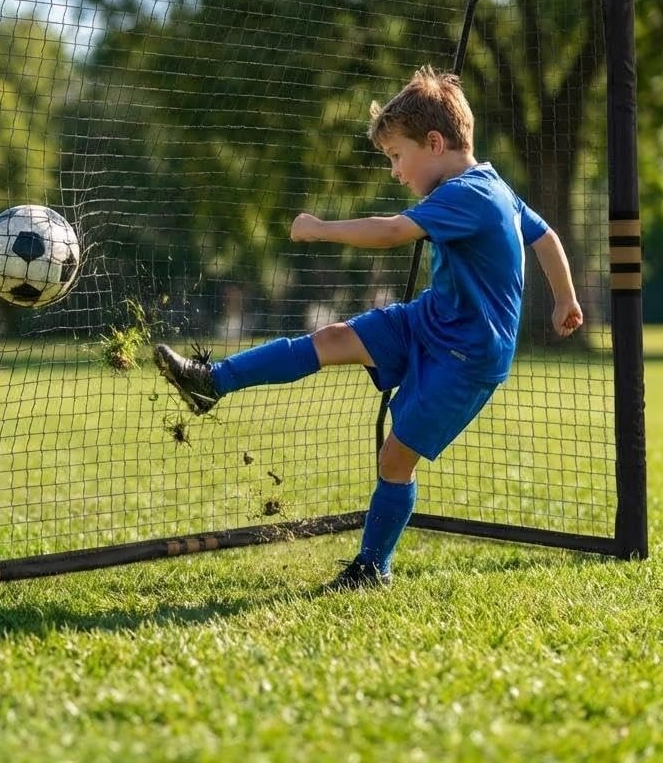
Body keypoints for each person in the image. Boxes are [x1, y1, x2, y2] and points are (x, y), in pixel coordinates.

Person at [153, 65, 583, 590]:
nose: (396, 172)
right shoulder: (493, 188)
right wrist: (564, 297)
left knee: (395, 459)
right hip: (428, 321)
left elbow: (397, 230)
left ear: (434, 142)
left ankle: (372, 567)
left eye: (398, 157)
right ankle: (209, 381)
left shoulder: (472, 194)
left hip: (468, 357)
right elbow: (546, 236)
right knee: (332, 337)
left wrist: (321, 229)